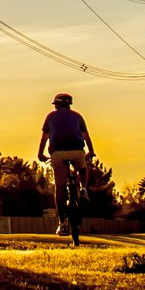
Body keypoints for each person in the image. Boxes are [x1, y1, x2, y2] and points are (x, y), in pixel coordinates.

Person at [36, 92, 95, 235]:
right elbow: (86, 137)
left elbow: (44, 138)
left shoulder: (50, 117)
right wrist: (91, 152)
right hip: (77, 151)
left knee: (60, 187)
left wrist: (40, 154)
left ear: (56, 105)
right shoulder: (77, 116)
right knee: (82, 169)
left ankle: (62, 223)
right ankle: (83, 189)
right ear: (69, 105)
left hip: (58, 153)